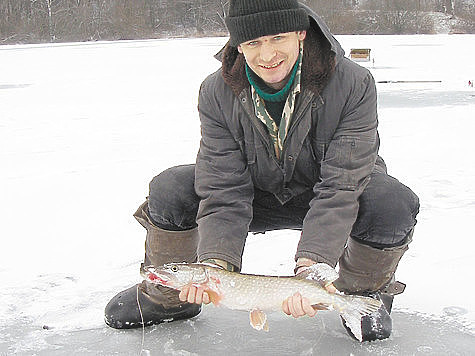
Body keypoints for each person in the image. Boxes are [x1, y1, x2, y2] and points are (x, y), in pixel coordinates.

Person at [104, 0, 419, 341]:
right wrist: (215, 264)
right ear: (238, 44)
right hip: (256, 196)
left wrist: (312, 265)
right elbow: (223, 187)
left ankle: (359, 298)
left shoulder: (353, 82)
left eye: (277, 38)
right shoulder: (216, 90)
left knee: (391, 201)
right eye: (253, 43)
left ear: (300, 33)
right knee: (171, 187)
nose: (267, 55)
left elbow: (341, 185)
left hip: (331, 198)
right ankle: (169, 298)